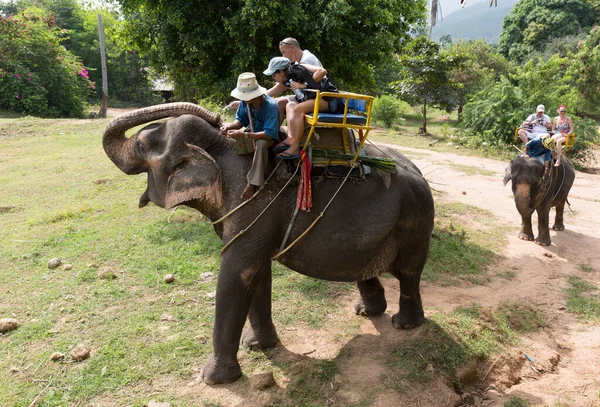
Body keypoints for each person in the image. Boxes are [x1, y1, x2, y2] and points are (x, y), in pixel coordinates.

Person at [263, 56, 339, 159]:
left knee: (298, 109)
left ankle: (295, 148)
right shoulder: (286, 79)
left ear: (281, 72)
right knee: (290, 105)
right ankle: (290, 138)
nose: (273, 78)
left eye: (273, 74)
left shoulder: (298, 68)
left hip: (329, 99)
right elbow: (271, 92)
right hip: (315, 98)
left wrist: (304, 84)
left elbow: (322, 71)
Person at [220, 73, 280, 200]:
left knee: (261, 144)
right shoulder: (244, 103)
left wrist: (244, 134)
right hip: (251, 132)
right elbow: (240, 121)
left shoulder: (271, 106)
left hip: (266, 136)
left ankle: (253, 183)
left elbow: (269, 134)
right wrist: (229, 127)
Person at [227, 37, 323, 114]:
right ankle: (275, 133)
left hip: (316, 97)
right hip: (304, 96)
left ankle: (276, 133)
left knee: (280, 103)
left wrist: (304, 85)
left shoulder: (306, 61)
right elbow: (280, 87)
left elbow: (320, 75)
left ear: (292, 48)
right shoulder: (295, 64)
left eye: (284, 53)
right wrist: (249, 99)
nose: (283, 57)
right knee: (276, 102)